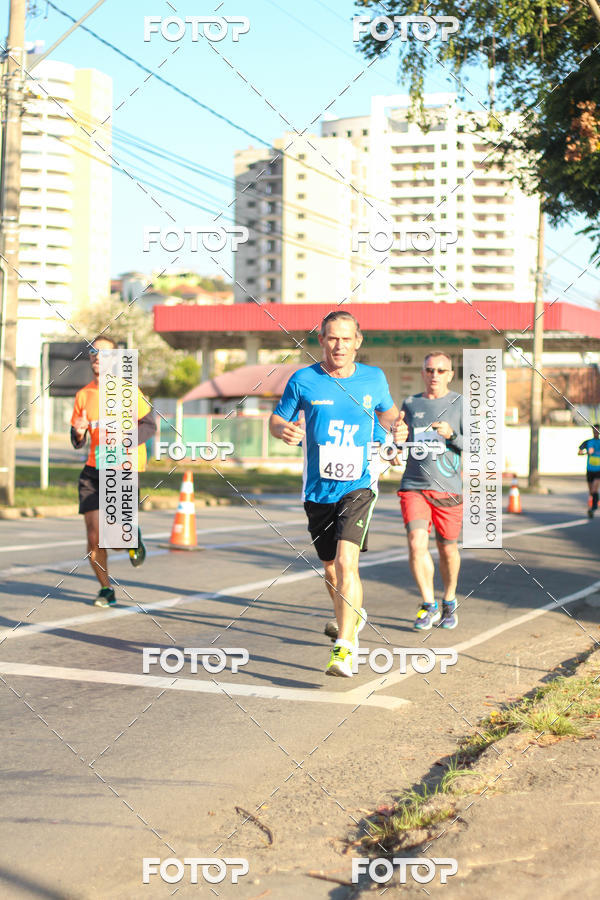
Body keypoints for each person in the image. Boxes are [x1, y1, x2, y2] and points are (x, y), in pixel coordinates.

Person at [269, 310, 407, 677]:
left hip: (359, 483)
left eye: (346, 338)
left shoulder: (374, 378)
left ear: (358, 341)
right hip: (318, 489)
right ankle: (353, 615)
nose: (339, 345)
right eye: (332, 338)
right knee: (330, 569)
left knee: (348, 563)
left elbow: (390, 416)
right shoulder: (303, 380)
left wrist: (398, 432)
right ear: (321, 341)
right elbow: (277, 418)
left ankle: (344, 648)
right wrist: (283, 430)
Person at [70, 336, 156, 607]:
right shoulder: (84, 395)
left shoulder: (128, 391)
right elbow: (77, 438)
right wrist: (79, 431)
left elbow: (149, 425)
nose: (98, 357)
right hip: (93, 471)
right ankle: (106, 589)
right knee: (94, 536)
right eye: (94, 352)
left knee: (116, 540)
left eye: (104, 353)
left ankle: (132, 537)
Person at [396, 352, 463, 630]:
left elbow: (480, 447)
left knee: (447, 549)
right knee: (416, 543)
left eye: (440, 370)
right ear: (423, 373)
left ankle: (448, 600)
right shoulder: (411, 404)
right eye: (429, 370)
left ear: (450, 374)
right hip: (414, 485)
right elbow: (402, 443)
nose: (434, 374)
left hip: (448, 488)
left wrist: (452, 435)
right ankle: (428, 604)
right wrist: (397, 436)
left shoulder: (460, 404)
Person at [578, 424, 600, 519]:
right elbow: (579, 452)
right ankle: (594, 504)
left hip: (598, 470)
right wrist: (587, 452)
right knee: (591, 491)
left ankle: (594, 507)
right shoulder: (588, 442)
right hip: (590, 469)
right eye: (594, 430)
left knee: (595, 489)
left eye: (597, 431)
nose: (595, 432)